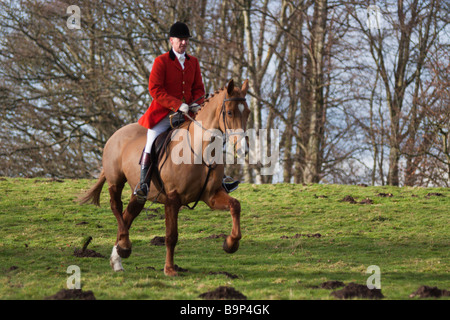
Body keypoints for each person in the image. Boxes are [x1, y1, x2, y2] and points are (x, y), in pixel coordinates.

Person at [135, 22, 239, 203]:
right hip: (163, 115)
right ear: (171, 41)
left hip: (188, 114)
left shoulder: (194, 62)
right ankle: (143, 183)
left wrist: (196, 103)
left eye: (185, 40)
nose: (183, 43)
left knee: (211, 136)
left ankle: (220, 179)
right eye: (180, 40)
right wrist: (177, 104)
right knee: (151, 140)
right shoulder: (161, 61)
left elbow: (199, 88)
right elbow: (155, 89)